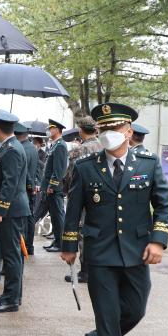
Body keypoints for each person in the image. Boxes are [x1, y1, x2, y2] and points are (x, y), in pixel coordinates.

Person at [61, 102, 168, 336]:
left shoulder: (148, 163)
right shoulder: (86, 167)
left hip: (137, 251)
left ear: (128, 131)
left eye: (115, 128)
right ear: (98, 132)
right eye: (104, 129)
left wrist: (158, 240)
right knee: (108, 314)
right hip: (99, 253)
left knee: (135, 310)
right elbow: (73, 210)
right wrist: (69, 245)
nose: (109, 133)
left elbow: (164, 205)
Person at [0, 111, 30, 313]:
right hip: (12, 209)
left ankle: (11, 298)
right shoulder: (8, 147)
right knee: (12, 253)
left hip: (11, 210)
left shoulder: (12, 149)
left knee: (11, 254)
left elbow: (10, 183)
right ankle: (13, 295)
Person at [63, 116, 103, 284]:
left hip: (83, 196)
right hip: (103, 196)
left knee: (82, 233)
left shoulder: (77, 151)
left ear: (80, 130)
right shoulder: (104, 146)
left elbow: (70, 176)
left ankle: (85, 271)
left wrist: (67, 192)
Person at [42, 119, 68, 252]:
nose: (49, 130)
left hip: (55, 189)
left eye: (51, 128)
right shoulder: (55, 145)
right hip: (50, 188)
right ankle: (57, 240)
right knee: (55, 216)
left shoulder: (61, 146)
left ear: (57, 130)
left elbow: (59, 170)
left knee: (58, 216)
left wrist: (52, 185)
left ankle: (61, 244)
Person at [15, 123, 39, 258]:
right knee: (30, 218)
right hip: (30, 188)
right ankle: (29, 246)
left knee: (24, 221)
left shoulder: (20, 148)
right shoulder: (32, 147)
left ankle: (26, 247)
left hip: (23, 188)